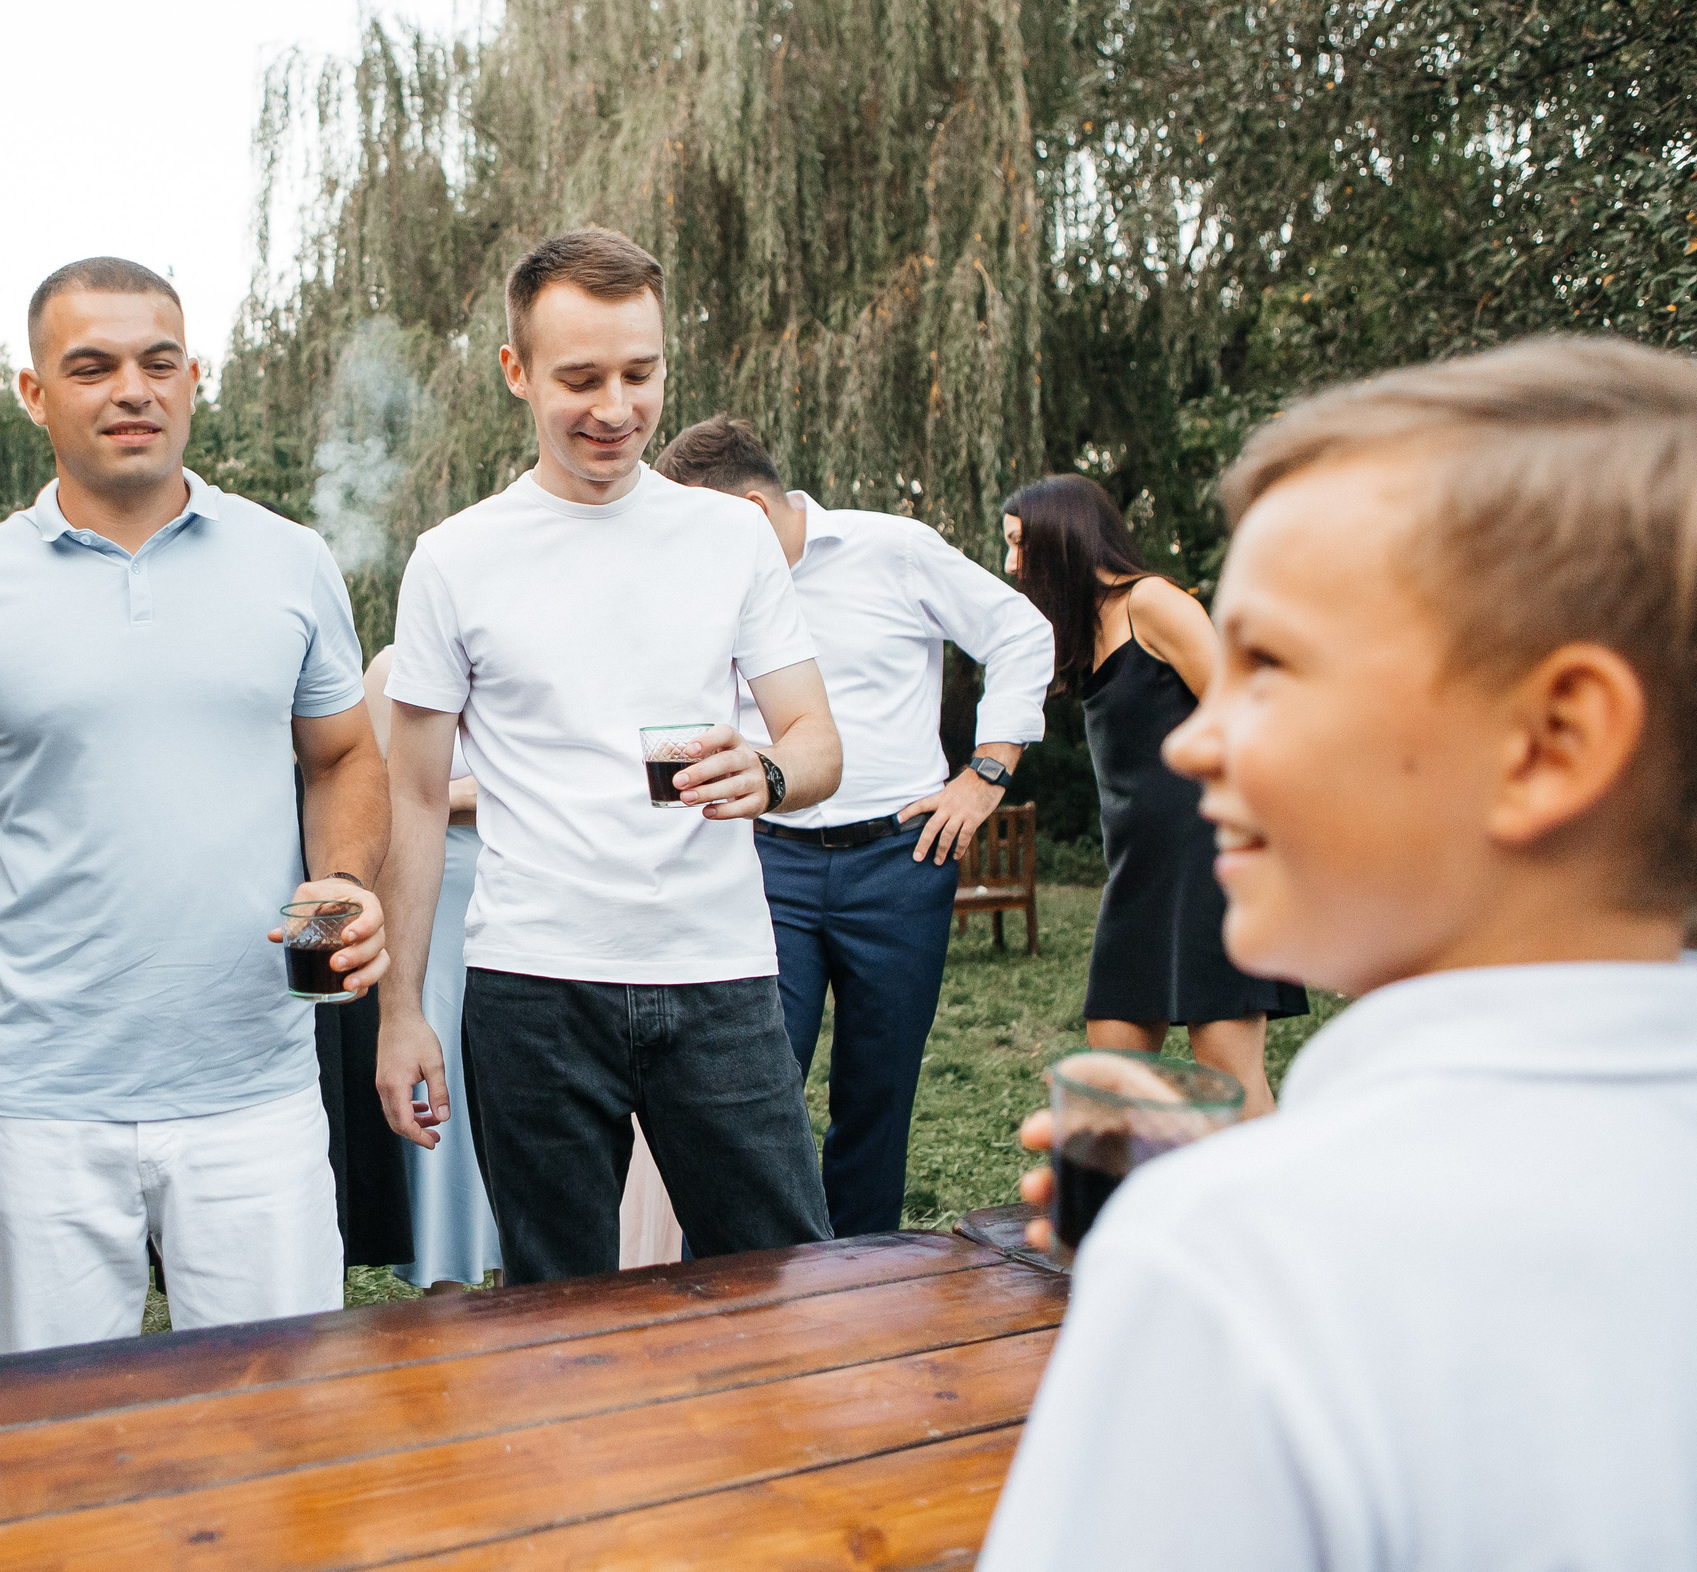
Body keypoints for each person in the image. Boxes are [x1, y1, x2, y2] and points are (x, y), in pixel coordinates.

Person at [980, 337, 1697, 1569]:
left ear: (1553, 742)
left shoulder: (1231, 1270)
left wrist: (1184, 1256)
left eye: (1273, 670)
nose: (1204, 747)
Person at [0, 256, 391, 1354]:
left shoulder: (289, 563)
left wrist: (341, 884)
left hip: (254, 1085)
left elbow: (342, 755)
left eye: (158, 362)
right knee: (56, 1453)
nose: (132, 390)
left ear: (194, 377)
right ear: (34, 392)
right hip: (39, 1101)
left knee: (277, 1439)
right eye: (91, 366)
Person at [373, 227, 842, 1285]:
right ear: (517, 372)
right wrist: (400, 1014)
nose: (616, 408)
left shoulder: (728, 541)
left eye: (641, 373)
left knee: (781, 1287)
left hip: (717, 975)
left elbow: (815, 742)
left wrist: (765, 773)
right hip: (532, 986)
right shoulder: (454, 560)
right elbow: (408, 802)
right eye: (580, 378)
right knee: (556, 1319)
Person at [655, 414, 1056, 1235]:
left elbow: (1020, 630)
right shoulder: (702, 588)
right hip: (768, 866)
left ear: (753, 515)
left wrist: (984, 776)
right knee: (748, 1088)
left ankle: (863, 1296)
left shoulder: (895, 550)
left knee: (878, 1094)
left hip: (901, 861)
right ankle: (733, 1296)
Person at [1002, 475, 1305, 1116]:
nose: (1011, 565)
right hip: (1137, 873)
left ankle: (1271, 1210)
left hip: (1207, 859)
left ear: (1063, 537)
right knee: (1109, 1073)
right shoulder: (1084, 628)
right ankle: (1140, 1206)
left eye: (1018, 545)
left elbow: (1243, 711)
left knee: (1227, 1072)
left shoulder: (1153, 603)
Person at [365, 646, 502, 1292]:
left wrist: (446, 792)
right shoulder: (393, 669)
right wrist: (484, 790)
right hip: (437, 901)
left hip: (530, 894)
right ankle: (450, 1276)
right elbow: (375, 796)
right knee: (446, 1080)